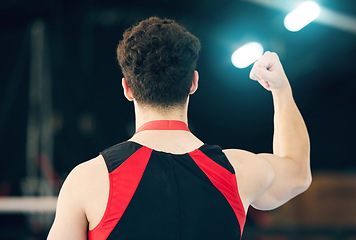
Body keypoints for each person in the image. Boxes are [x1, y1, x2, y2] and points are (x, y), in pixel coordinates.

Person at [47, 17, 311, 240]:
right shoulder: (239, 171)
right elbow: (298, 174)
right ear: (193, 83)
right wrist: (281, 89)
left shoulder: (88, 180)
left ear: (127, 88)